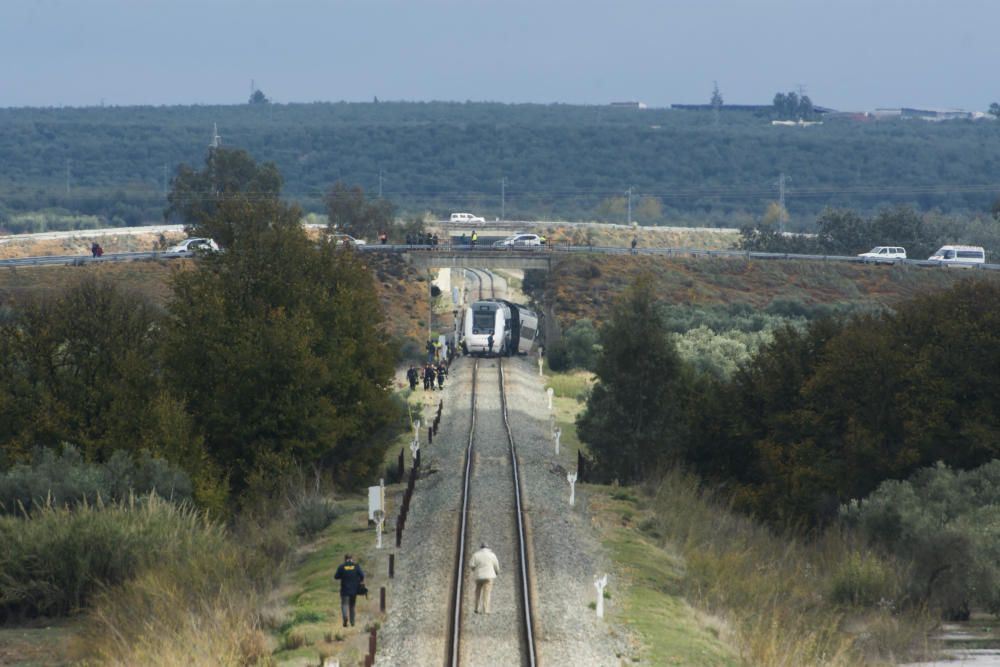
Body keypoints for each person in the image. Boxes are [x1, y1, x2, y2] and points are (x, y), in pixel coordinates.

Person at [334, 554, 365, 628]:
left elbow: (336, 576)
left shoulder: (342, 567)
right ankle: (352, 622)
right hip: (354, 590)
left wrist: (342, 576)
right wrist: (359, 581)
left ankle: (345, 617)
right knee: (352, 606)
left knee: (344, 604)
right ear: (352, 559)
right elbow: (362, 575)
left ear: (345, 559)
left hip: (344, 590)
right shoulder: (356, 566)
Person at [469, 542, 500, 614]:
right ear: (488, 548)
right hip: (489, 577)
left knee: (477, 592)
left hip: (479, 576)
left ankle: (476, 608)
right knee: (487, 593)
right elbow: (496, 566)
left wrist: (475, 570)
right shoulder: (492, 555)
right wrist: (496, 572)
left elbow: (471, 565)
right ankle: (486, 610)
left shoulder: (476, 555)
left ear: (481, 548)